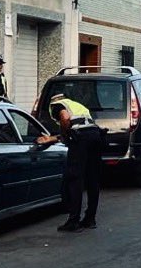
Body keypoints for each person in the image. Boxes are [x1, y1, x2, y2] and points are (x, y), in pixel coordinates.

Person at [36, 94, 103, 232]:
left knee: (75, 178)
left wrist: (66, 136)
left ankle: (73, 221)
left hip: (81, 140)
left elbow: (65, 118)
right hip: (95, 135)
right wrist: (54, 138)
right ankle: (90, 219)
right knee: (93, 179)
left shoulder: (56, 105)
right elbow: (81, 126)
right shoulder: (77, 105)